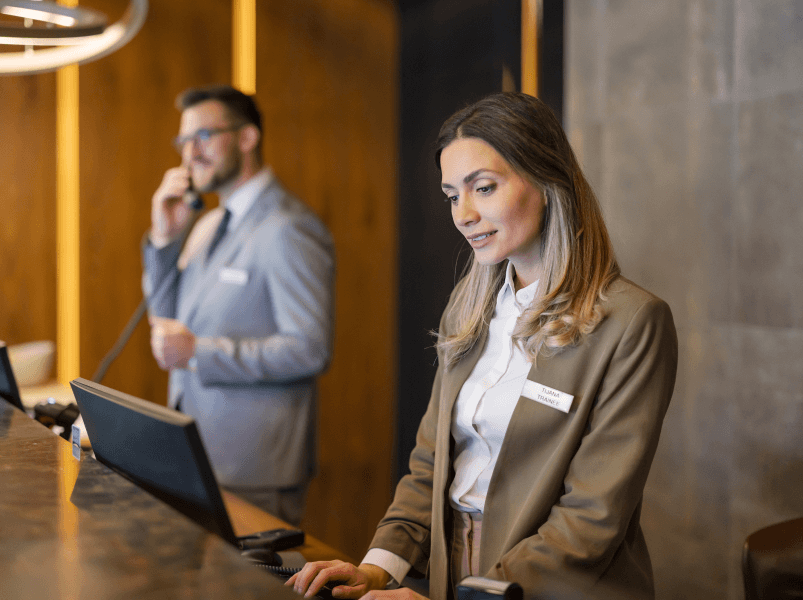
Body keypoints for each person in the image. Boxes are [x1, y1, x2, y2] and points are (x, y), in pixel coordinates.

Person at [288, 92, 678, 599]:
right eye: (452, 195)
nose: (463, 214)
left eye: (484, 188)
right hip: (458, 569)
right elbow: (431, 463)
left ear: (547, 181)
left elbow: (590, 519)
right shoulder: (468, 306)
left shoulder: (633, 322)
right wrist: (379, 567)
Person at [143, 85, 335, 526]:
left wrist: (200, 353)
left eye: (204, 136)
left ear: (247, 138)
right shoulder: (206, 223)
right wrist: (164, 238)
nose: (191, 152)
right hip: (193, 453)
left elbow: (309, 349)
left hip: (254, 469)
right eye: (184, 141)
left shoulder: (289, 227)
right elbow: (165, 320)